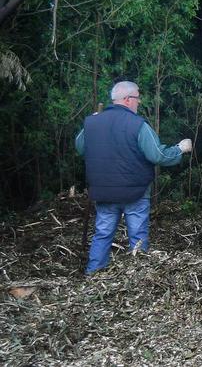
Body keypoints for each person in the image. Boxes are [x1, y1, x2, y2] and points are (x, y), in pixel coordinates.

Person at [75, 81, 192, 275]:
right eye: (138, 98)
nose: (139, 102)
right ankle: (138, 278)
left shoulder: (92, 122)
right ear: (128, 99)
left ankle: (93, 275)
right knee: (137, 237)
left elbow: (80, 147)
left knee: (102, 234)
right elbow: (157, 155)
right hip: (135, 193)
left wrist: (90, 123)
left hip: (103, 192)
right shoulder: (138, 125)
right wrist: (180, 149)